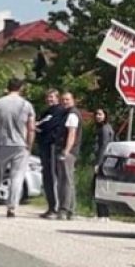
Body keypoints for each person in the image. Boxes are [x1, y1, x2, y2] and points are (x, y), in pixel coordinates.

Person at [0, 78, 35, 218]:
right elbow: (31, 128)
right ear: (21, 88)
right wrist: (29, 145)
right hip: (20, 144)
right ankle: (11, 208)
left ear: (7, 87)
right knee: (17, 177)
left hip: (2, 142)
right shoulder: (26, 105)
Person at [36, 88, 65, 219]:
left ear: (57, 98)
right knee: (47, 176)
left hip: (53, 145)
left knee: (54, 176)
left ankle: (58, 207)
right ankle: (51, 206)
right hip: (44, 146)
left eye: (52, 97)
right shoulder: (45, 112)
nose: (49, 99)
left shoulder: (59, 111)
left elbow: (46, 126)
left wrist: (40, 126)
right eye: (48, 97)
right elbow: (38, 126)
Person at [55, 91, 82, 220]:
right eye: (63, 100)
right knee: (65, 180)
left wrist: (66, 150)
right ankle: (70, 210)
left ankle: (65, 209)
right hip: (66, 150)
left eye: (67, 99)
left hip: (68, 152)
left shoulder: (72, 114)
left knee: (65, 181)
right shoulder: (66, 113)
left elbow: (71, 133)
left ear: (73, 100)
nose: (65, 102)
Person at [92, 108, 114, 221]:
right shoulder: (100, 128)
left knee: (99, 187)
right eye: (96, 114)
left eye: (100, 114)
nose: (98, 116)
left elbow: (103, 147)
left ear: (105, 115)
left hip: (103, 162)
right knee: (99, 187)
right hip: (104, 161)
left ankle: (103, 214)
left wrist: (98, 163)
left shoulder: (105, 129)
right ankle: (101, 213)